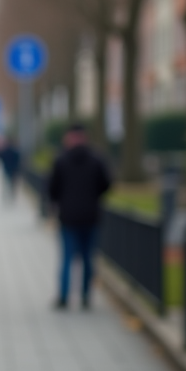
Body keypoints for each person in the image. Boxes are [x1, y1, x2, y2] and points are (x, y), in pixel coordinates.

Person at [48, 123, 111, 309]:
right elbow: (106, 185)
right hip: (91, 216)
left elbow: (53, 189)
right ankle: (85, 296)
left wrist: (58, 203)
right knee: (87, 258)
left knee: (67, 258)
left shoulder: (61, 160)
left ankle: (64, 296)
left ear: (69, 138)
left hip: (68, 217)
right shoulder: (96, 159)